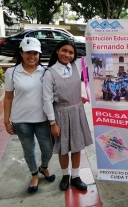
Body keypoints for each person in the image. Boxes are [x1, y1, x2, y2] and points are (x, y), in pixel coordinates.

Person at [4, 37, 55, 194]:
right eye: (28, 53)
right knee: (28, 150)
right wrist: (6, 121)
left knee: (48, 148)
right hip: (21, 120)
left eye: (35, 53)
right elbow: (8, 97)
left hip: (42, 119)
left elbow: (54, 95)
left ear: (39, 54)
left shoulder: (46, 72)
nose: (32, 56)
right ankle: (34, 175)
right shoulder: (11, 72)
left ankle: (44, 167)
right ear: (21, 53)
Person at [42, 40, 93, 192]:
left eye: (71, 52)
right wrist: (53, 123)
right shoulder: (49, 73)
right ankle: (65, 176)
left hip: (77, 111)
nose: (67, 55)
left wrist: (79, 98)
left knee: (77, 146)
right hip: (60, 114)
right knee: (64, 147)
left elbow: (94, 55)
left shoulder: (76, 66)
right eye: (64, 50)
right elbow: (47, 100)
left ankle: (75, 176)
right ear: (57, 51)